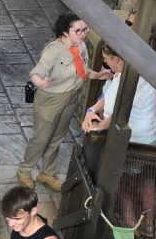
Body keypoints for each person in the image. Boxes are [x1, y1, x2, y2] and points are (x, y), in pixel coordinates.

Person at [19, 11, 106, 191]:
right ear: (65, 32)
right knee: (42, 137)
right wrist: (40, 82)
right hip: (50, 99)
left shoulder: (81, 47)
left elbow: (83, 70)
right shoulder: (54, 50)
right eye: (78, 31)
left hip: (71, 96)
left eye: (85, 30)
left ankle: (47, 173)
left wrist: (97, 75)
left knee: (58, 136)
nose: (83, 34)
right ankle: (24, 170)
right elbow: (36, 73)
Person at [82, 45, 156, 232]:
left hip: (136, 141)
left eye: (106, 58)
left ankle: (132, 226)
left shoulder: (131, 81)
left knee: (120, 181)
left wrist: (98, 127)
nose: (104, 62)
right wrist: (91, 111)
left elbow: (118, 112)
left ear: (116, 59)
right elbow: (108, 99)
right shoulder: (127, 71)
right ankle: (147, 225)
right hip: (147, 139)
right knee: (145, 179)